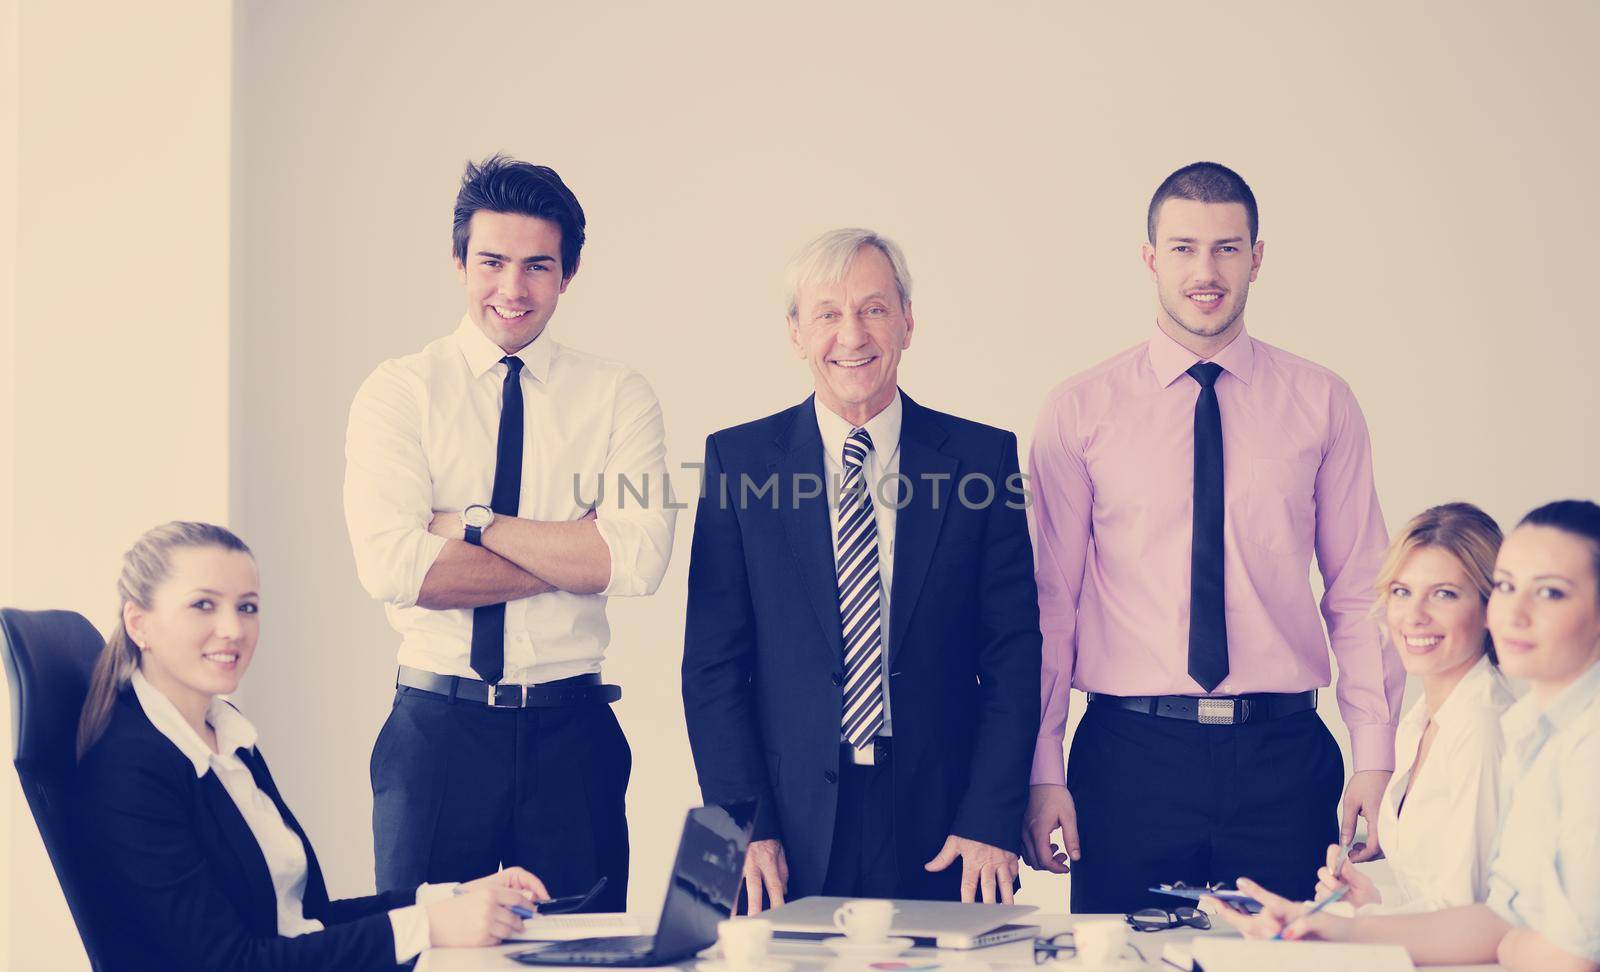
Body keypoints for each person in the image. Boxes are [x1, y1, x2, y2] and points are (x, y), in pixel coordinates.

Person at [1022, 161, 1404, 913]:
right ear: (1149, 258)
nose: (1206, 271)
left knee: (1294, 966)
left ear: (1258, 257)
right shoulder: (1078, 410)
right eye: (1185, 248)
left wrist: (1376, 755)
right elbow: (1050, 606)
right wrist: (1043, 768)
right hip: (1129, 759)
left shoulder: (1322, 402)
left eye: (1228, 248)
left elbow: (1360, 589)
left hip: (1284, 757)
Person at [344, 156, 675, 909]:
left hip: (573, 733)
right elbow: (395, 567)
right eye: (491, 262)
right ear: (459, 261)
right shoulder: (400, 391)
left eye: (537, 266)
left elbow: (639, 557)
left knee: (583, 959)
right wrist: (572, 549)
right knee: (425, 952)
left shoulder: (618, 396)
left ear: (568, 274)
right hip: (436, 731)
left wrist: (472, 527)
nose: (512, 289)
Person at [682, 228, 1042, 911]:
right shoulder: (739, 461)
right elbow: (712, 666)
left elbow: (1014, 655)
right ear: (795, 333)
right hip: (783, 831)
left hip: (950, 830)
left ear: (908, 322)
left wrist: (992, 817)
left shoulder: (982, 459)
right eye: (827, 313)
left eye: (874, 309)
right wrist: (740, 825)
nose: (853, 334)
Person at [75, 522, 547, 971]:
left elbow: (304, 918)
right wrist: (426, 926)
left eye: (247, 607)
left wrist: (449, 898)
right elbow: (225, 964)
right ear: (139, 623)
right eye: (203, 605)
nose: (234, 629)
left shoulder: (225, 731)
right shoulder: (132, 767)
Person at [1211, 500, 1600, 972]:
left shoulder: (1508, 731)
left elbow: (1556, 949)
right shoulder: (1508, 730)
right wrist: (1350, 919)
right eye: (1507, 586)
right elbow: (1499, 919)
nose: (1515, 612)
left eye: (1551, 593)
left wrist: (1510, 941)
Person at [1314, 502, 1514, 914]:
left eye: (1443, 594)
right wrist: (1369, 902)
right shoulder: (1420, 720)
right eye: (1402, 592)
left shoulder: (1481, 727)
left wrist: (1353, 926)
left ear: (1489, 606)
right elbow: (1432, 898)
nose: (1415, 616)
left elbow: (1467, 918)